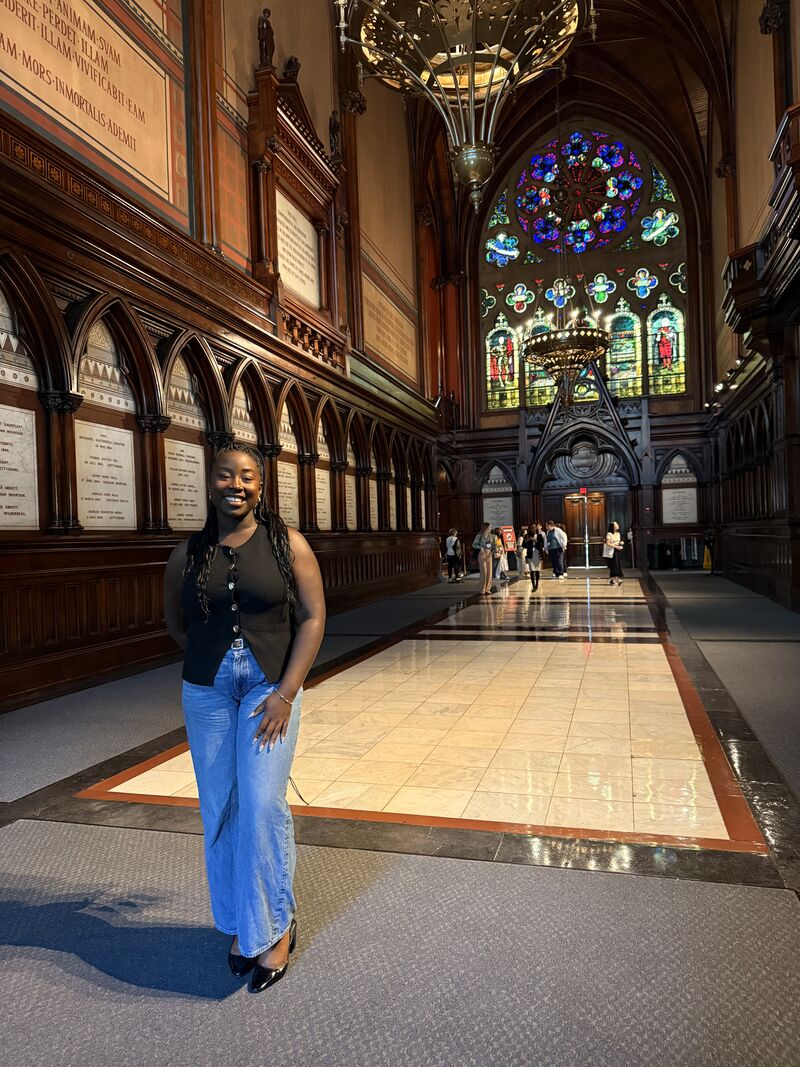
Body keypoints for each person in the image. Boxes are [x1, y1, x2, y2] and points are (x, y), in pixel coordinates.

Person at [163, 443, 326, 994]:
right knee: (222, 808)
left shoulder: (287, 544)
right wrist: (214, 660)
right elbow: (177, 625)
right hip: (207, 691)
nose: (237, 484)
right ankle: (241, 925)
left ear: (261, 485)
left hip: (268, 688)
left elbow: (313, 617)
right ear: (210, 484)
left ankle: (276, 927)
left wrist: (285, 691)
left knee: (260, 804)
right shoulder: (188, 554)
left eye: (248, 476)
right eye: (226, 475)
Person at [473, 522, 494, 595]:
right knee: (484, 572)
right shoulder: (479, 536)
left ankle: (487, 589)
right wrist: (480, 547)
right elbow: (474, 544)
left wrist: (492, 549)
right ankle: (482, 589)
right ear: (486, 528)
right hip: (482, 554)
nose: (491, 528)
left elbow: (489, 545)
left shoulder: (489, 536)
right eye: (490, 527)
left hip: (489, 554)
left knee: (489, 572)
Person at [523, 524, 545, 590]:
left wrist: (535, 541)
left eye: (535, 527)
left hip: (537, 554)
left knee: (537, 570)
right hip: (530, 555)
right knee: (532, 570)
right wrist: (526, 541)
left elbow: (542, 545)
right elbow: (524, 545)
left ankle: (537, 584)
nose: (533, 529)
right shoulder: (527, 536)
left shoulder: (539, 536)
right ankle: (533, 586)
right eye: (532, 527)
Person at [603, 521, 625, 586]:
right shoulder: (609, 534)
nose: (618, 525)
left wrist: (621, 543)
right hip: (611, 552)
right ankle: (614, 580)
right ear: (613, 526)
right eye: (616, 524)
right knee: (614, 566)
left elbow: (618, 542)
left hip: (617, 551)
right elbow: (607, 543)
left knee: (618, 565)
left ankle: (616, 579)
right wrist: (615, 546)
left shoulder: (618, 534)